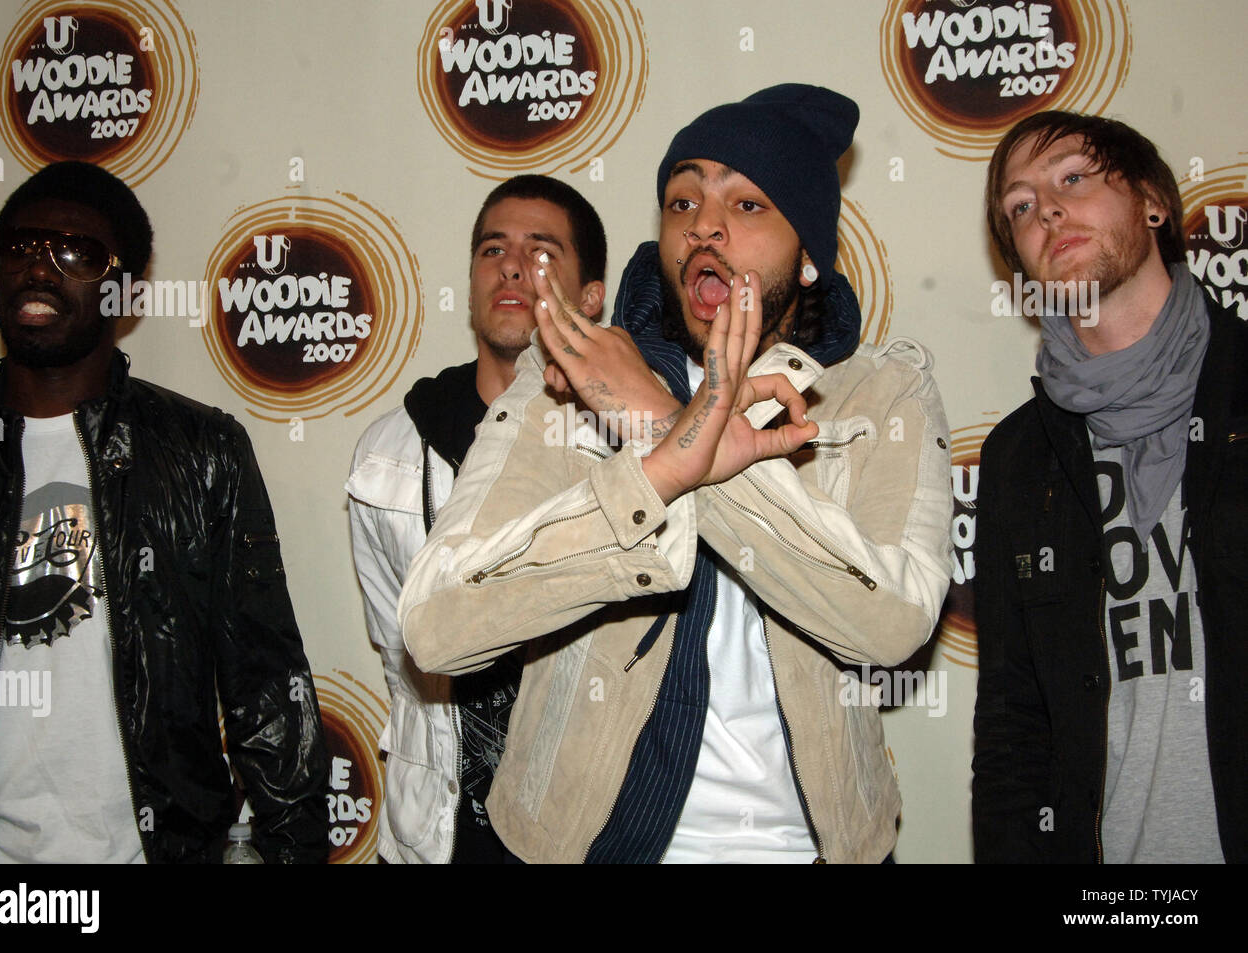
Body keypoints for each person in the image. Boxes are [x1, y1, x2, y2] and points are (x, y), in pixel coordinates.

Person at [398, 85, 953, 863]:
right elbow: (436, 625)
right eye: (682, 199)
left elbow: (892, 622)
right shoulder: (569, 374)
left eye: (749, 205)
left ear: (810, 253)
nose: (705, 226)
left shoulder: (883, 393)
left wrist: (660, 422)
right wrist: (655, 471)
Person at [0, 161, 328, 863]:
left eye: (77, 252)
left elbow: (266, 685)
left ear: (124, 291)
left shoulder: (201, 450)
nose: (41, 268)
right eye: (22, 248)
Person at [972, 111, 1246, 863]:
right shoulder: (1020, 458)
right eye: (1021, 206)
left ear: (1154, 201)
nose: (1048, 209)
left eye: (1073, 178)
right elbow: (1011, 724)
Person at [346, 176, 606, 863]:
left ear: (591, 297)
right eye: (494, 249)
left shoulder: (630, 447)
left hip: (585, 829)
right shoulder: (389, 453)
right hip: (437, 832)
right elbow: (399, 650)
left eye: (543, 250)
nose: (513, 266)